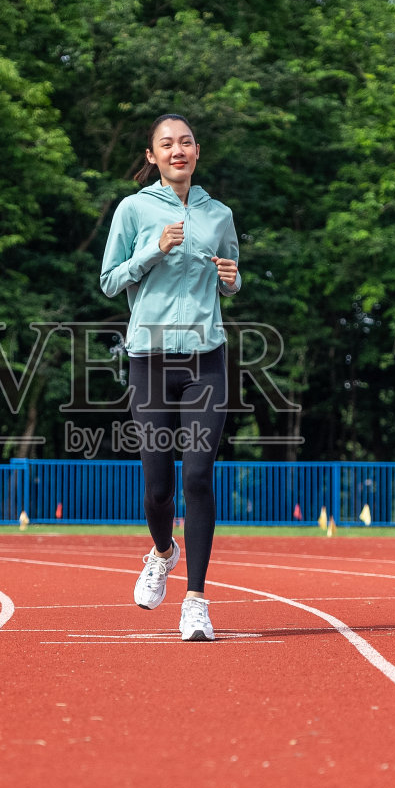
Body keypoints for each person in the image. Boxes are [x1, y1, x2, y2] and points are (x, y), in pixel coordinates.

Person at [99, 114, 241, 641]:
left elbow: (231, 273)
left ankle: (197, 600)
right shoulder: (133, 210)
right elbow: (110, 281)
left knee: (198, 477)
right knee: (158, 487)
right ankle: (162, 553)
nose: (177, 150)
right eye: (167, 144)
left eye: (185, 143)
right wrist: (151, 249)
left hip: (206, 359)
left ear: (197, 152)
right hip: (150, 361)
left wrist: (232, 279)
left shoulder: (219, 213)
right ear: (153, 155)